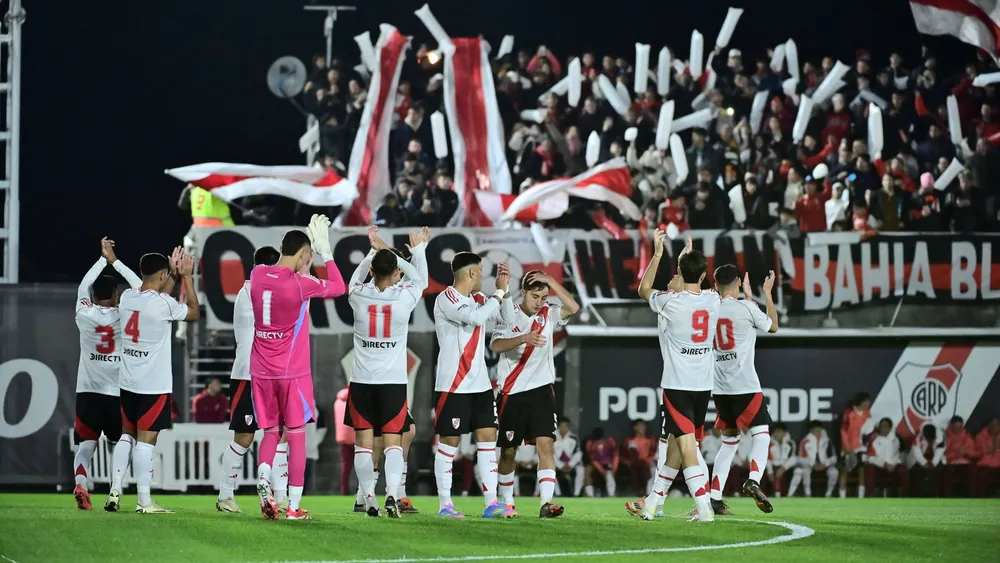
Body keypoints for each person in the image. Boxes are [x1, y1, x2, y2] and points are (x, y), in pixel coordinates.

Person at [251, 215, 346, 521]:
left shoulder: (257, 273)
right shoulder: (300, 284)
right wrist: (326, 252)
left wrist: (304, 260)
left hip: (261, 371)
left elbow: (280, 276)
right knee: (295, 435)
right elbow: (338, 287)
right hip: (291, 373)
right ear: (305, 254)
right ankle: (293, 507)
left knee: (269, 432)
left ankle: (264, 478)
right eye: (310, 255)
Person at [626, 233, 719, 522]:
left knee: (686, 446)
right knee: (676, 447)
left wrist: (657, 254)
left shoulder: (669, 303)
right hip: (703, 385)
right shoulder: (713, 300)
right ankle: (652, 504)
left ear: (679, 274)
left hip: (678, 384)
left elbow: (644, 289)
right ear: (704, 275)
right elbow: (697, 284)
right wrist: (686, 266)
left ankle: (705, 509)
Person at [105, 247, 199, 513]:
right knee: (147, 440)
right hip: (153, 385)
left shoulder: (127, 297)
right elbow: (193, 312)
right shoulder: (162, 303)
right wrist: (186, 276)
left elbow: (155, 296)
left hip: (127, 381)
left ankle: (114, 490)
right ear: (161, 275)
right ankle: (144, 501)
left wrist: (171, 275)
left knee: (127, 435)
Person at [345, 226, 429, 518]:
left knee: (364, 446)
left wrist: (374, 252)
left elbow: (355, 278)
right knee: (394, 443)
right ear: (395, 272)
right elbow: (421, 278)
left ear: (372, 272)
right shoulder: (404, 298)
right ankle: (392, 495)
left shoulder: (357, 295)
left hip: (362, 382)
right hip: (393, 382)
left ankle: (369, 498)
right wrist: (414, 252)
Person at [432, 252, 517, 519]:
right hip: (454, 383)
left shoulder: (481, 299)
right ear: (471, 273)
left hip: (480, 385)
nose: (484, 276)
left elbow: (509, 321)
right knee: (449, 442)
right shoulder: (446, 299)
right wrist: (498, 294)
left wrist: (506, 291)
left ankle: (491, 503)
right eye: (481, 271)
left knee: (488, 439)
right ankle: (445, 504)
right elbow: (477, 319)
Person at [492, 270, 580, 518]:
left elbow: (573, 307)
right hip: (512, 392)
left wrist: (552, 281)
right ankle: (507, 502)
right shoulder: (508, 313)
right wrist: (524, 338)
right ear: (523, 293)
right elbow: (496, 345)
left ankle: (546, 503)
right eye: (534, 296)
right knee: (509, 451)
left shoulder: (548, 313)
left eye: (543, 296)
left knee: (546, 446)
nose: (539, 302)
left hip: (542, 391)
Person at [72, 238, 142, 510]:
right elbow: (140, 288)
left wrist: (101, 260)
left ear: (92, 296)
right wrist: (115, 261)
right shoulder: (123, 314)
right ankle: (114, 490)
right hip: (116, 392)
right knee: (122, 442)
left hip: (87, 391)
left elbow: (82, 286)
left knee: (86, 446)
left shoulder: (84, 313)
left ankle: (80, 483)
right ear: (115, 294)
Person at [705, 265, 778, 515]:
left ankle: (714, 498)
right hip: (746, 386)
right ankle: (754, 480)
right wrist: (764, 294)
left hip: (720, 389)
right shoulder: (747, 308)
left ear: (715, 285)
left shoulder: (708, 307)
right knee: (762, 435)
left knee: (729, 443)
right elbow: (773, 326)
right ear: (738, 281)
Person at [216, 245, 281, 514]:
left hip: (271, 374)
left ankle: (281, 496)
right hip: (249, 375)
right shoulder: (252, 291)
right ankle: (225, 495)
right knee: (244, 435)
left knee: (279, 435)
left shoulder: (261, 290)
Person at [787, 421, 839, 497]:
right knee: (804, 470)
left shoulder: (827, 441)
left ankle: (829, 493)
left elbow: (834, 458)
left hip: (824, 465)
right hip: (810, 465)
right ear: (811, 430)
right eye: (816, 430)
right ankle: (808, 493)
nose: (818, 432)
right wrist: (813, 464)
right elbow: (801, 458)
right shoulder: (805, 441)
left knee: (834, 472)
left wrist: (825, 464)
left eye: (819, 429)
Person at [839, 392, 874, 497]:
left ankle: (861, 496)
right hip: (848, 447)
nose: (868, 403)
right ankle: (842, 497)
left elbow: (869, 431)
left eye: (869, 401)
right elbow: (843, 430)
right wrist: (847, 447)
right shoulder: (849, 413)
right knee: (845, 470)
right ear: (861, 401)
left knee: (861, 470)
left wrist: (867, 444)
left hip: (861, 447)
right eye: (866, 401)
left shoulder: (867, 413)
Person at [865, 417, 908, 496]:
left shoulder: (897, 439)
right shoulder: (874, 439)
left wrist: (893, 464)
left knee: (903, 469)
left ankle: (906, 495)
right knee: (870, 469)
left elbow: (900, 454)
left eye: (885, 426)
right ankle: (869, 495)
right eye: (881, 426)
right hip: (880, 467)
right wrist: (884, 464)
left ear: (890, 428)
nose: (883, 428)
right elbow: (869, 457)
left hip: (894, 467)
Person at [553, 417, 584, 497]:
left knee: (581, 469)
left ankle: (576, 494)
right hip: (557, 463)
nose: (564, 428)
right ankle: (558, 493)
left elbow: (578, 453)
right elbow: (550, 453)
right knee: (549, 470)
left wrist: (570, 464)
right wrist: (561, 465)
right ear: (558, 426)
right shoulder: (552, 437)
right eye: (562, 426)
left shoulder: (573, 437)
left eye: (566, 426)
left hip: (570, 464)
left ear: (569, 427)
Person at [767, 423, 797, 497]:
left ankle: (783, 494)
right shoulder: (769, 443)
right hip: (773, 466)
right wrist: (770, 472)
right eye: (776, 432)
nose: (777, 434)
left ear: (784, 433)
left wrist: (783, 467)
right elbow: (768, 459)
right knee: (770, 475)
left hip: (786, 468)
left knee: (783, 475)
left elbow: (793, 458)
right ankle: (776, 494)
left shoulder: (790, 443)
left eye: (780, 432)